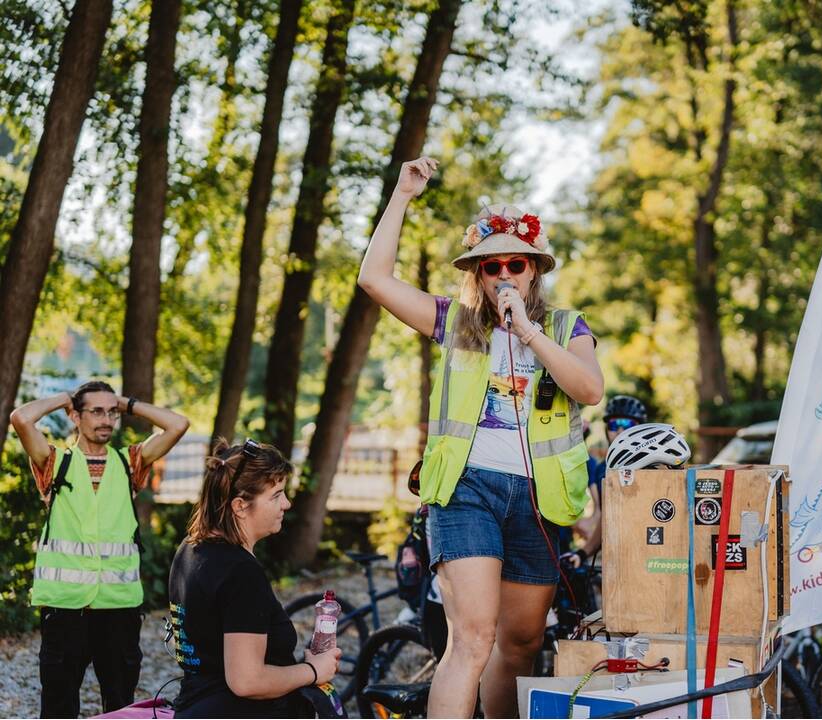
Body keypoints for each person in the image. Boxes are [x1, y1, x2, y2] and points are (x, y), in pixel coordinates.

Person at [357, 156, 604, 718]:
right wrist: (401, 194)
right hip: (467, 493)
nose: (504, 276)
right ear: (478, 275)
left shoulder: (567, 327)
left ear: (534, 271)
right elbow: (373, 280)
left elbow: (588, 389)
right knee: (471, 639)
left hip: (537, 503)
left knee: (519, 646)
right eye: (491, 268)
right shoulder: (455, 322)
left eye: (515, 264)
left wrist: (529, 333)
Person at [9, 381, 189, 718]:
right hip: (65, 608)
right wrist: (64, 398)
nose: (106, 419)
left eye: (112, 412)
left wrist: (126, 403)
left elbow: (178, 424)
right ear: (75, 416)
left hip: (118, 608)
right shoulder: (55, 462)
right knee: (58, 708)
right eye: (97, 411)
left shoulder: (129, 463)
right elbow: (21, 418)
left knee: (121, 707)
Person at [167, 439, 341, 718]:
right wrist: (312, 671)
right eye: (276, 495)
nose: (287, 503)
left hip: (196, 706)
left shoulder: (190, 548)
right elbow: (247, 681)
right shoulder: (240, 571)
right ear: (239, 505)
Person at [563, 394, 648, 567]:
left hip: (649, 553)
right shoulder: (603, 469)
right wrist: (582, 552)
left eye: (628, 425)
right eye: (614, 424)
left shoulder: (655, 466)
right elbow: (605, 519)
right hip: (616, 556)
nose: (620, 431)